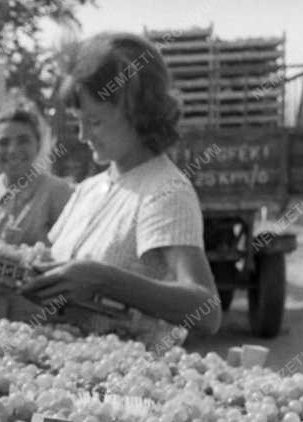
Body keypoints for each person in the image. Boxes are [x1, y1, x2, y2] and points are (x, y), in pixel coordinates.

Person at [21, 32, 222, 338]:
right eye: (78, 121)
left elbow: (206, 310)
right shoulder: (88, 190)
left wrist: (105, 280)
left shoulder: (164, 191)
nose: (83, 136)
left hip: (125, 378)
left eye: (96, 121)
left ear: (139, 112)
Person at [0, 106, 73, 246]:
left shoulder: (57, 191)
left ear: (38, 145)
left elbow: (67, 251)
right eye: (3, 142)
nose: (13, 150)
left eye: (23, 141)